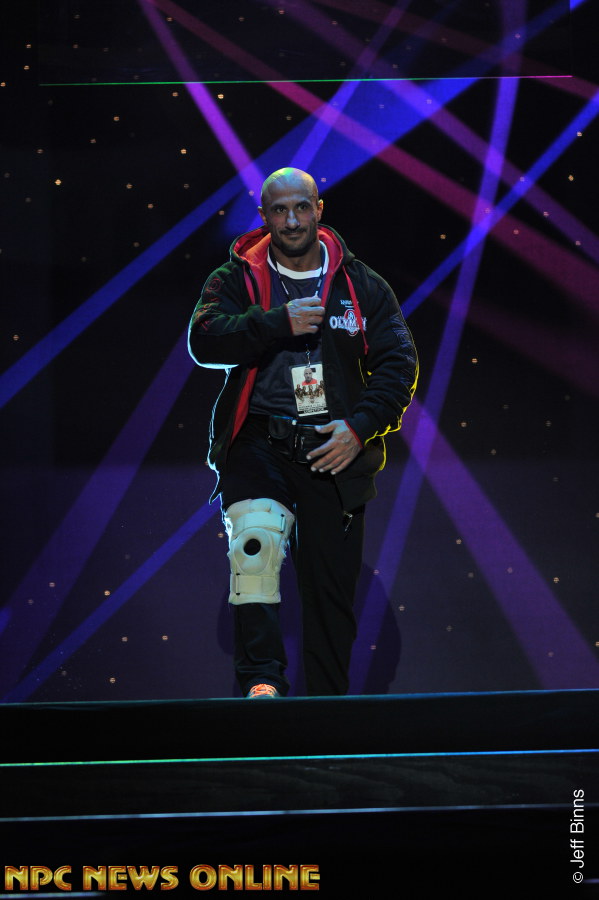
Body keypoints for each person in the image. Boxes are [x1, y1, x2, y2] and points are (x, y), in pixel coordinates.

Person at [188, 167, 418, 698]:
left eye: (300, 208)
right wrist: (274, 322)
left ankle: (326, 710)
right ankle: (262, 682)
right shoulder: (238, 276)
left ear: (319, 209)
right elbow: (204, 340)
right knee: (254, 548)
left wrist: (360, 428)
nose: (291, 221)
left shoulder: (360, 283)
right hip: (258, 442)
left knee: (330, 595)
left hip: (332, 447)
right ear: (264, 216)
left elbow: (398, 363)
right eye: (279, 210)